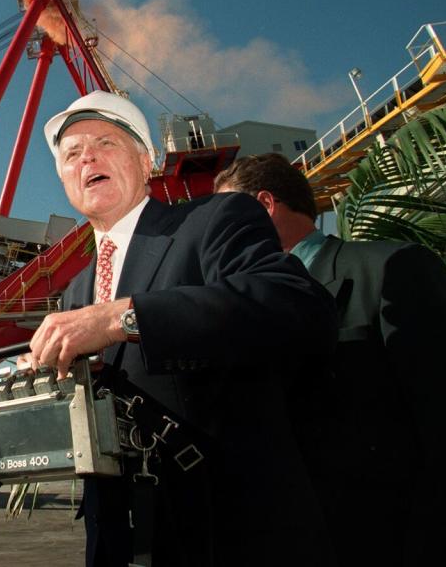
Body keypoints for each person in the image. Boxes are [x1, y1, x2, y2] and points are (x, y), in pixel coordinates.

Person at [27, 91, 339, 567]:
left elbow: (296, 307)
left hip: (223, 530)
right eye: (71, 154)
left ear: (147, 159)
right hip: (116, 537)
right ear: (65, 180)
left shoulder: (216, 218)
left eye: (106, 143)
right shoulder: (75, 291)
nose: (87, 156)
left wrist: (121, 317)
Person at [214, 153, 446, 567]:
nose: (217, 240)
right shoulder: (244, 312)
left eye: (224, 223)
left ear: (263, 207)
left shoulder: (392, 268)